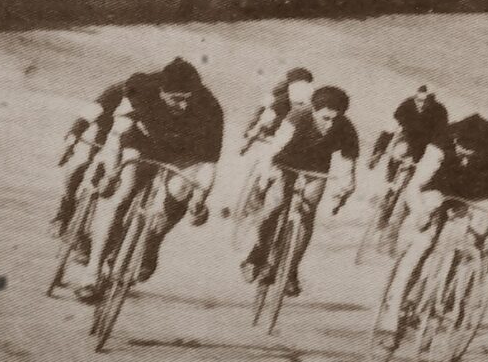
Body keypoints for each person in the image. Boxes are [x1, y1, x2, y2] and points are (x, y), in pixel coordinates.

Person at [63, 56, 226, 298]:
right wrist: (113, 170)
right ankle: (92, 272)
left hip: (183, 154)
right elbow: (120, 129)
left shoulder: (210, 107)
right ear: (161, 91)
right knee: (122, 194)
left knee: (180, 193)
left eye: (188, 99)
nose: (183, 106)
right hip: (142, 145)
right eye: (176, 99)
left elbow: (209, 163)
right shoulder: (142, 88)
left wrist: (200, 198)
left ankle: (153, 240)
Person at [376, 113, 488, 348]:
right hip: (439, 188)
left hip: (477, 195)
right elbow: (415, 186)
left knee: (476, 234)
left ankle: (452, 291)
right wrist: (420, 212)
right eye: (461, 150)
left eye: (473, 153)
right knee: (422, 243)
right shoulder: (441, 144)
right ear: (455, 140)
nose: (465, 156)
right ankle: (392, 316)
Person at [244, 83, 358, 298]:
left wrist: (344, 190)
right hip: (285, 162)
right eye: (325, 118)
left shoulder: (346, 128)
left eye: (335, 119)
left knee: (307, 214)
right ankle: (258, 252)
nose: (330, 125)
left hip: (316, 168)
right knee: (275, 205)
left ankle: (291, 270)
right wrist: (265, 174)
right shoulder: (297, 117)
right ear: (313, 110)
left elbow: (348, 166)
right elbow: (274, 149)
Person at [369, 84, 449, 176]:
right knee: (391, 127)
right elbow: (397, 115)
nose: (421, 104)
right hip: (406, 131)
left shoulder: (440, 110)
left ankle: (411, 168)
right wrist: (404, 124)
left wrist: (433, 137)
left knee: (418, 155)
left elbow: (442, 127)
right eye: (419, 100)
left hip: (423, 137)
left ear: (432, 100)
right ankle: (378, 152)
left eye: (426, 101)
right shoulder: (409, 102)